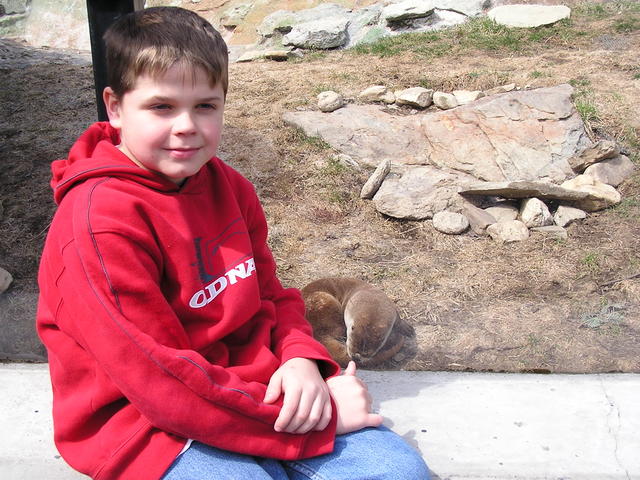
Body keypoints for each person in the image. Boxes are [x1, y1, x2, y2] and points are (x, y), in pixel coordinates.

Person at [36, 6, 431, 480]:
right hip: (149, 425)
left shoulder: (228, 185)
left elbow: (270, 292)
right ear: (116, 107)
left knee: (397, 472)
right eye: (161, 106)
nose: (186, 125)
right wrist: (308, 431)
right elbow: (156, 380)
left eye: (205, 105)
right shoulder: (97, 224)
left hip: (254, 389)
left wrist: (301, 357)